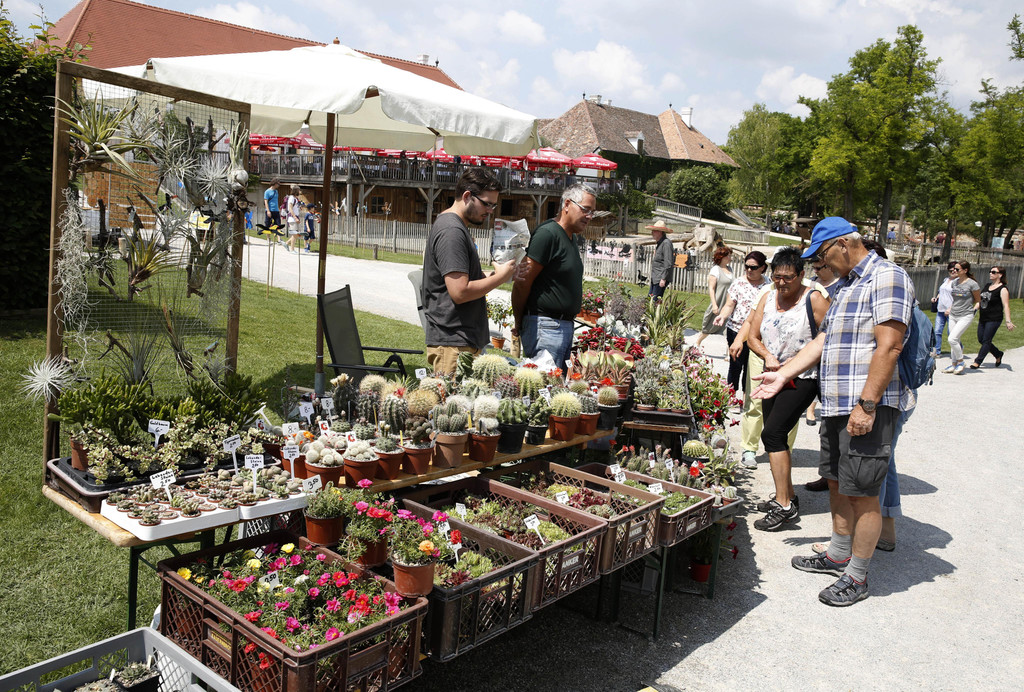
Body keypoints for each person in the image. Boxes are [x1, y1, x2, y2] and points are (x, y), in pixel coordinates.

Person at [752, 216, 916, 607]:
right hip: (836, 404)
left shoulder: (887, 278)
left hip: (865, 406)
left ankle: (857, 577)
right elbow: (822, 341)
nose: (821, 263)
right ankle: (838, 554)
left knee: (863, 493)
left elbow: (889, 346)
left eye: (823, 255)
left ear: (843, 243)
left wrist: (867, 404)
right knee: (837, 482)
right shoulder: (844, 286)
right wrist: (783, 374)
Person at [747, 247, 829, 531]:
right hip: (771, 377)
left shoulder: (814, 299)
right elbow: (752, 337)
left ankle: (783, 506)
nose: (781, 283)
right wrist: (767, 356)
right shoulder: (767, 298)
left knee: (772, 433)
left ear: (801, 275)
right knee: (774, 435)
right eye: (777, 277)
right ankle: (788, 495)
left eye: (788, 278)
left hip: (803, 378)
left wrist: (794, 363)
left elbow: (827, 339)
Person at [422, 168, 516, 374]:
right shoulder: (452, 231)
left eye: (494, 205)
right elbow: (460, 292)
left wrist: (502, 274)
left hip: (460, 341)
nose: (490, 211)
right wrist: (501, 278)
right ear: (467, 196)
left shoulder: (456, 226)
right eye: (487, 203)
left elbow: (467, 282)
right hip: (454, 344)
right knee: (451, 396)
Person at [512, 183, 595, 369]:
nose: (589, 216)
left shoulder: (570, 236)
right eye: (585, 209)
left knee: (557, 383)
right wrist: (519, 320)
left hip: (561, 326)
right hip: (546, 327)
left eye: (592, 212)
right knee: (545, 381)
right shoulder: (548, 234)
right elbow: (522, 282)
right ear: (567, 204)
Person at [714, 251, 769, 396]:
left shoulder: (768, 285)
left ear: (762, 268)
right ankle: (730, 397)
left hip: (757, 334)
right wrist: (722, 316)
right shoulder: (738, 283)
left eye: (753, 267)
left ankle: (746, 399)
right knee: (735, 366)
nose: (749, 270)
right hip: (736, 330)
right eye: (746, 266)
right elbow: (729, 305)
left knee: (751, 368)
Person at [971, 265, 1015, 368]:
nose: (991, 273)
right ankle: (998, 354)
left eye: (994, 272)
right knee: (981, 339)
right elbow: (981, 300)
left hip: (994, 318)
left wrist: (1008, 321)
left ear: (1000, 275)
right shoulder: (987, 286)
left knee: (986, 340)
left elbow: (1006, 306)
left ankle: (977, 361)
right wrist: (974, 309)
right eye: (990, 271)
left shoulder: (1003, 289)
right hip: (983, 317)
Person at [943, 260, 980, 374]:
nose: (954, 271)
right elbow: (955, 299)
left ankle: (961, 361)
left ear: (965, 270)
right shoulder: (954, 282)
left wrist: (973, 310)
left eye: (957, 269)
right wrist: (950, 308)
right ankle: (953, 364)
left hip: (965, 315)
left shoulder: (972, 284)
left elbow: (978, 300)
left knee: (952, 339)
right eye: (954, 269)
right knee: (955, 340)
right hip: (953, 314)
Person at [694, 245, 733, 349]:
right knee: (710, 326)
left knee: (728, 328)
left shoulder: (730, 269)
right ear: (722, 257)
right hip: (719, 301)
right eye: (728, 256)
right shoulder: (716, 270)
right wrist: (714, 305)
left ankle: (729, 351)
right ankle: (697, 342)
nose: (730, 258)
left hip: (728, 303)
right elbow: (711, 288)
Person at [930, 261, 957, 357]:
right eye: (950, 270)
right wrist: (936, 298)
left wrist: (950, 308)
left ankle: (958, 350)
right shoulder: (946, 280)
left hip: (951, 310)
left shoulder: (958, 282)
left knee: (952, 333)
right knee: (937, 331)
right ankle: (937, 351)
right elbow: (941, 292)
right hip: (941, 309)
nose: (953, 271)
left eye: (955, 270)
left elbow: (958, 297)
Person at [647, 220, 677, 300]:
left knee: (654, 300)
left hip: (660, 277)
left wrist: (663, 278)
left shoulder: (666, 243)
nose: (652, 233)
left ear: (660, 232)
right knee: (650, 300)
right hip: (656, 277)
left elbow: (668, 262)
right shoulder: (660, 243)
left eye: (654, 231)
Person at [284, 185, 303, 252]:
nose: (300, 191)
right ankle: (292, 249)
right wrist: (295, 217)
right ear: (296, 191)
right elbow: (290, 208)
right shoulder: (291, 198)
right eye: (299, 190)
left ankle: (286, 243)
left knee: (297, 234)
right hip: (292, 218)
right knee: (295, 234)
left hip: (295, 217)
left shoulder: (295, 198)